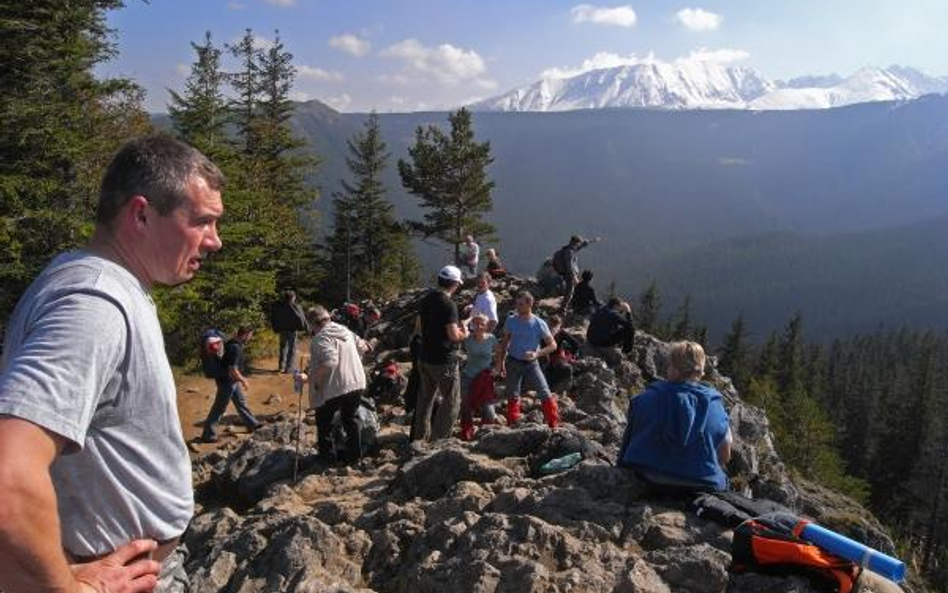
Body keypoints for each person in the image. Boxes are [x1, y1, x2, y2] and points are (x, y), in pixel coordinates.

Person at [0, 134, 224, 593]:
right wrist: (68, 587)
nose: (215, 242)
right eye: (202, 221)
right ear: (141, 214)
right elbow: (8, 476)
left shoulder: (93, 279)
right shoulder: (95, 305)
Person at [617, 341, 731, 492]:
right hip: (700, 483)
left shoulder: (643, 399)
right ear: (700, 370)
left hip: (649, 477)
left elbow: (629, 442)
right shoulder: (716, 406)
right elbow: (724, 456)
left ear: (672, 367)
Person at [305, 305, 372, 462]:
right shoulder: (344, 330)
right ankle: (355, 457)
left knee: (323, 420)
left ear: (313, 324)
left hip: (338, 385)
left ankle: (326, 459)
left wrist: (311, 377)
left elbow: (330, 361)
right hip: (357, 381)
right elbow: (363, 346)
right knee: (350, 418)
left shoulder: (320, 337)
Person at [412, 265, 469, 441]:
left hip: (425, 358)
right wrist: (465, 332)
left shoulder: (426, 299)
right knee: (451, 402)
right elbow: (453, 336)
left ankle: (419, 439)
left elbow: (420, 329)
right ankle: (439, 441)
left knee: (425, 401)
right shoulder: (448, 304)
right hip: (443, 360)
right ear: (454, 284)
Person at [496, 291, 560, 428]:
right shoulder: (511, 320)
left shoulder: (539, 323)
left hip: (531, 364)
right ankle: (512, 424)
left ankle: (553, 424)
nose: (517, 307)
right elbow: (504, 343)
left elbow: (553, 345)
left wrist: (537, 354)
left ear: (529, 305)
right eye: (517, 304)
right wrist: (501, 364)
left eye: (521, 304)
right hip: (513, 362)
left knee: (544, 392)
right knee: (512, 395)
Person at [201, 326, 262, 442]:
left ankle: (252, 424)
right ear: (245, 335)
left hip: (230, 380)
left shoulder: (231, 343)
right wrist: (243, 380)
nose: (251, 337)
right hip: (227, 381)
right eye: (250, 335)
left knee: (241, 402)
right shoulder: (236, 348)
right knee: (219, 408)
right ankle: (208, 435)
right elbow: (232, 369)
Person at [459, 314, 500, 440]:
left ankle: (486, 435)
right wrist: (469, 319)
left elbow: (499, 352)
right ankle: (467, 431)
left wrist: (498, 368)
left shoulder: (491, 339)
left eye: (482, 323)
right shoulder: (468, 338)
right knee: (466, 406)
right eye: (476, 323)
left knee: (488, 409)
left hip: (485, 378)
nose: (478, 326)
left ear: (487, 326)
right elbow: (460, 327)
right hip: (468, 376)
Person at [552, 235, 600, 312]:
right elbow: (569, 265)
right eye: (578, 243)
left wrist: (592, 240)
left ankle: (565, 306)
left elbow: (579, 247)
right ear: (575, 242)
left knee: (571, 291)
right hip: (569, 275)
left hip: (566, 274)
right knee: (570, 292)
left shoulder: (567, 249)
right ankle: (563, 309)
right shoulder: (569, 252)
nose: (579, 245)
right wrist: (573, 276)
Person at [585, 297, 636, 366]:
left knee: (616, 328)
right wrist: (628, 311)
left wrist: (620, 311)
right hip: (600, 342)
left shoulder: (601, 308)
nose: (621, 309)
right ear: (615, 306)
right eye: (620, 307)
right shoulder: (613, 314)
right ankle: (627, 352)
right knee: (629, 330)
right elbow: (630, 326)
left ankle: (620, 348)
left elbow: (615, 319)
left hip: (590, 339)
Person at [270, 289, 308, 373]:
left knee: (283, 348)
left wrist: (276, 327)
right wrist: (304, 328)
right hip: (292, 331)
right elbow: (301, 319)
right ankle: (289, 368)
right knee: (292, 349)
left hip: (282, 330)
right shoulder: (296, 306)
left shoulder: (279, 307)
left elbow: (274, 317)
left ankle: (281, 367)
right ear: (293, 297)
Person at [543, 315, 582, 393]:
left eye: (554, 327)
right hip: (544, 357)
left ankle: (552, 389)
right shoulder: (542, 332)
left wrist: (569, 357)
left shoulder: (560, 333)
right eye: (550, 326)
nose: (552, 329)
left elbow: (576, 345)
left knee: (565, 369)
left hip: (555, 358)